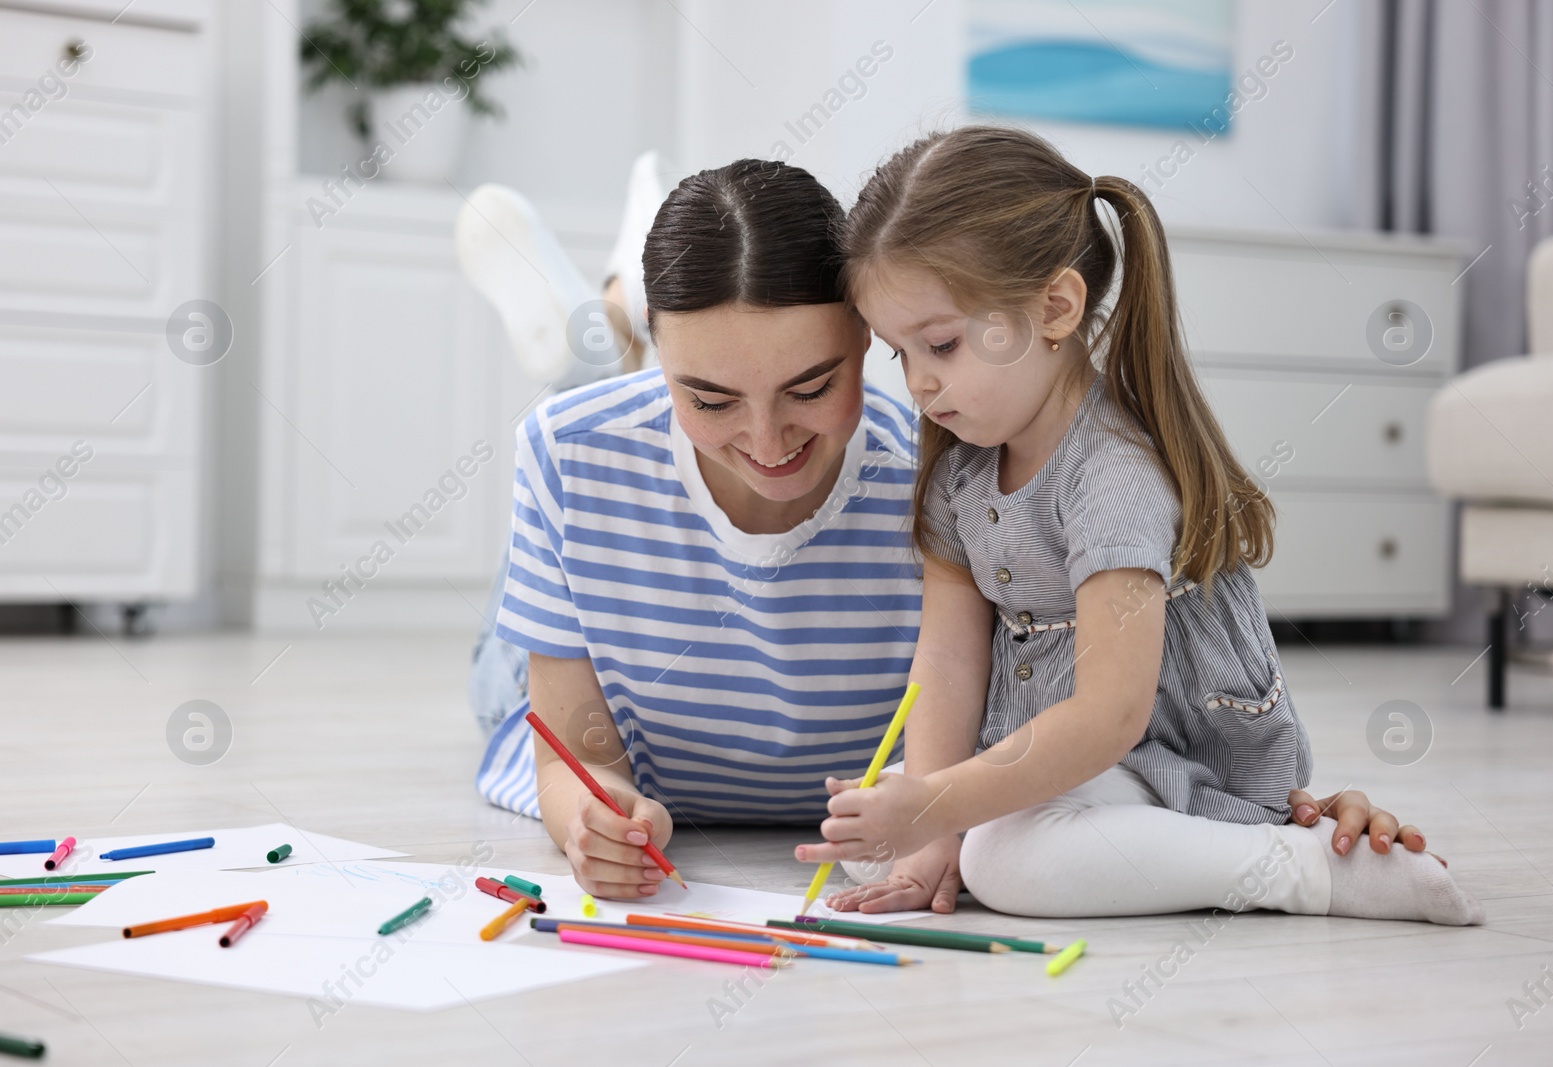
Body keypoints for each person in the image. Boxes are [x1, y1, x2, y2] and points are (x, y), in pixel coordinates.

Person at [800, 126, 1482, 926]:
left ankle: (1297, 869)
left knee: (1002, 857)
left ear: (1054, 308)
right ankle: (1086, 844)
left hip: (1166, 757)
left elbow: (1111, 715)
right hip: (1076, 760)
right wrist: (925, 828)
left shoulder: (1112, 473)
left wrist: (944, 810)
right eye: (898, 353)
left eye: (941, 344)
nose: (919, 382)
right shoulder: (961, 470)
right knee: (876, 828)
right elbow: (947, 660)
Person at [472, 158, 921, 899]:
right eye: (710, 398)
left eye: (811, 389)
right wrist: (591, 809)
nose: (770, 445)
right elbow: (564, 755)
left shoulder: (937, 473)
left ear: (867, 333)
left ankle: (606, 331)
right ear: (666, 348)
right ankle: (604, 345)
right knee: (502, 673)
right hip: (593, 678)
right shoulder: (568, 453)